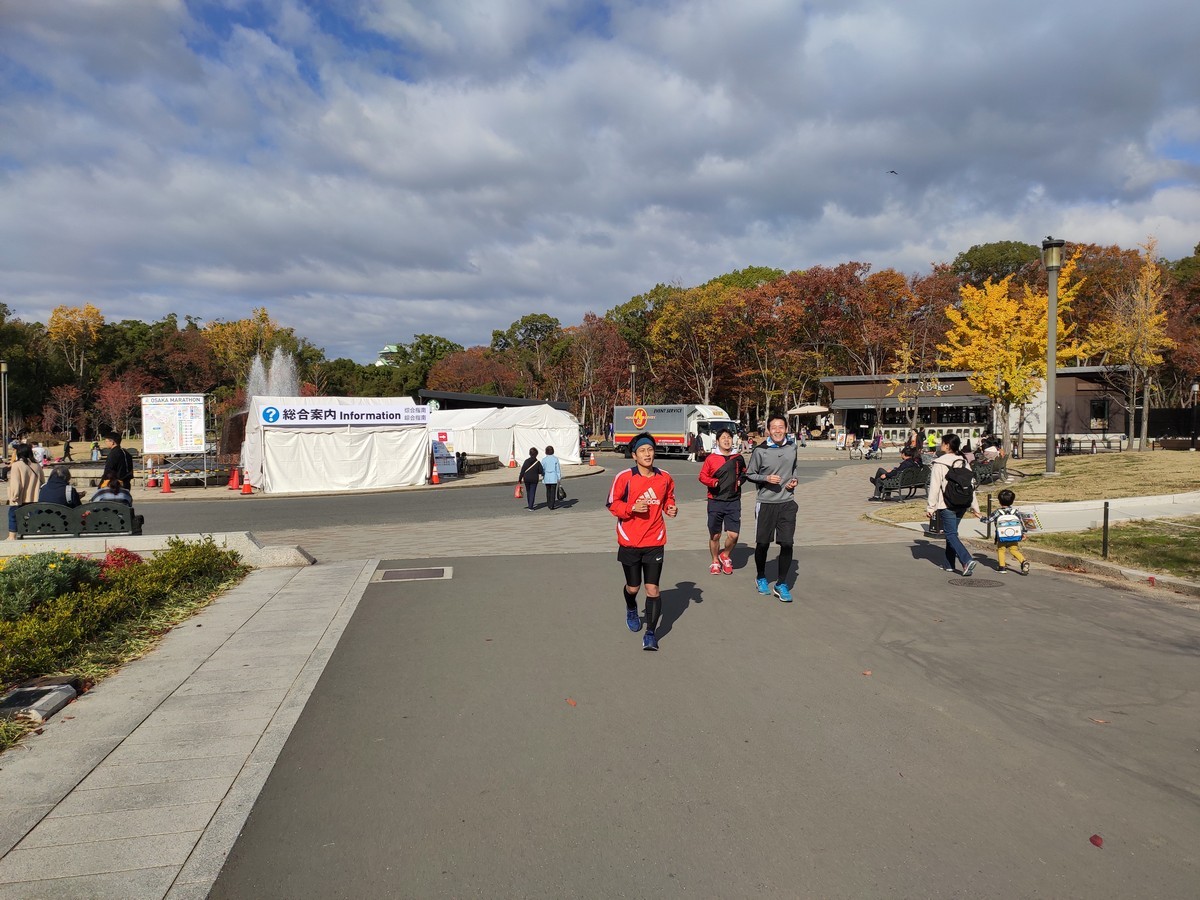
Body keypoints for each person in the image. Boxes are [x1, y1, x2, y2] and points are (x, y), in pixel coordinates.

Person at [606, 432, 677, 651]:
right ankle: (630, 607)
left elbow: (668, 499)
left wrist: (670, 508)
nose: (647, 454)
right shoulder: (624, 477)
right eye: (642, 451)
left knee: (653, 589)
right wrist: (631, 508)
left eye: (650, 449)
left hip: (655, 540)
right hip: (629, 540)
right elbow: (611, 504)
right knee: (634, 587)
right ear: (634, 456)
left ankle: (650, 634)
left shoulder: (664, 477)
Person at [745, 414, 799, 601]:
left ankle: (781, 584)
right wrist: (766, 478)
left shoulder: (792, 447)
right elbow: (750, 474)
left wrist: (794, 481)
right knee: (763, 544)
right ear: (768, 430)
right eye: (774, 427)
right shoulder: (760, 451)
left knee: (787, 543)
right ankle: (760, 576)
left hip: (787, 502)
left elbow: (794, 469)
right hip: (766, 503)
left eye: (781, 427)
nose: (777, 430)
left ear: (786, 428)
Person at [925, 433, 981, 576]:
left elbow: (934, 487)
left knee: (950, 534)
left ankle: (966, 560)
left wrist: (931, 507)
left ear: (947, 445)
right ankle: (949, 564)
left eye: (942, 443)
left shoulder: (939, 463)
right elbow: (970, 486)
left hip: (947, 503)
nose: (940, 444)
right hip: (963, 502)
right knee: (952, 534)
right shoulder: (963, 461)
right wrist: (975, 507)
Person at [698, 427, 747, 575]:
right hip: (715, 501)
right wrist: (712, 482)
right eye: (723, 438)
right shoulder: (711, 458)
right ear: (717, 441)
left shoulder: (737, 457)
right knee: (715, 535)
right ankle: (714, 560)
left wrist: (740, 481)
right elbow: (702, 476)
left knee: (733, 535)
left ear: (733, 440)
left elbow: (744, 472)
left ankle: (725, 555)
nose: (726, 440)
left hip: (733, 501)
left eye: (729, 437)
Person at [980, 488, 1031, 575]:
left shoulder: (998, 512)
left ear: (999, 501)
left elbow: (988, 520)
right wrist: (1023, 533)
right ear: (1012, 501)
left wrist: (980, 517)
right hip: (1014, 535)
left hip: (1002, 536)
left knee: (1001, 550)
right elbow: (1021, 523)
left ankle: (1002, 567)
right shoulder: (1015, 512)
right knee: (1014, 549)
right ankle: (1023, 562)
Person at [7, 443, 44, 539]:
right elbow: (43, 482)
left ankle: (12, 536)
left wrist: (14, 496)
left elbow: (16, 483)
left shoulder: (17, 465)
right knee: (34, 517)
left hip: (20, 497)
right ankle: (34, 534)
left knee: (13, 515)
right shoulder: (37, 466)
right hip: (34, 497)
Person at [541, 445, 562, 510]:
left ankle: (548, 503)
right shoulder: (555, 459)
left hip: (547, 477)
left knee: (548, 491)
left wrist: (542, 475)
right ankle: (552, 504)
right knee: (553, 491)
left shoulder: (544, 460)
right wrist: (559, 477)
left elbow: (542, 469)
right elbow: (557, 469)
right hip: (553, 477)